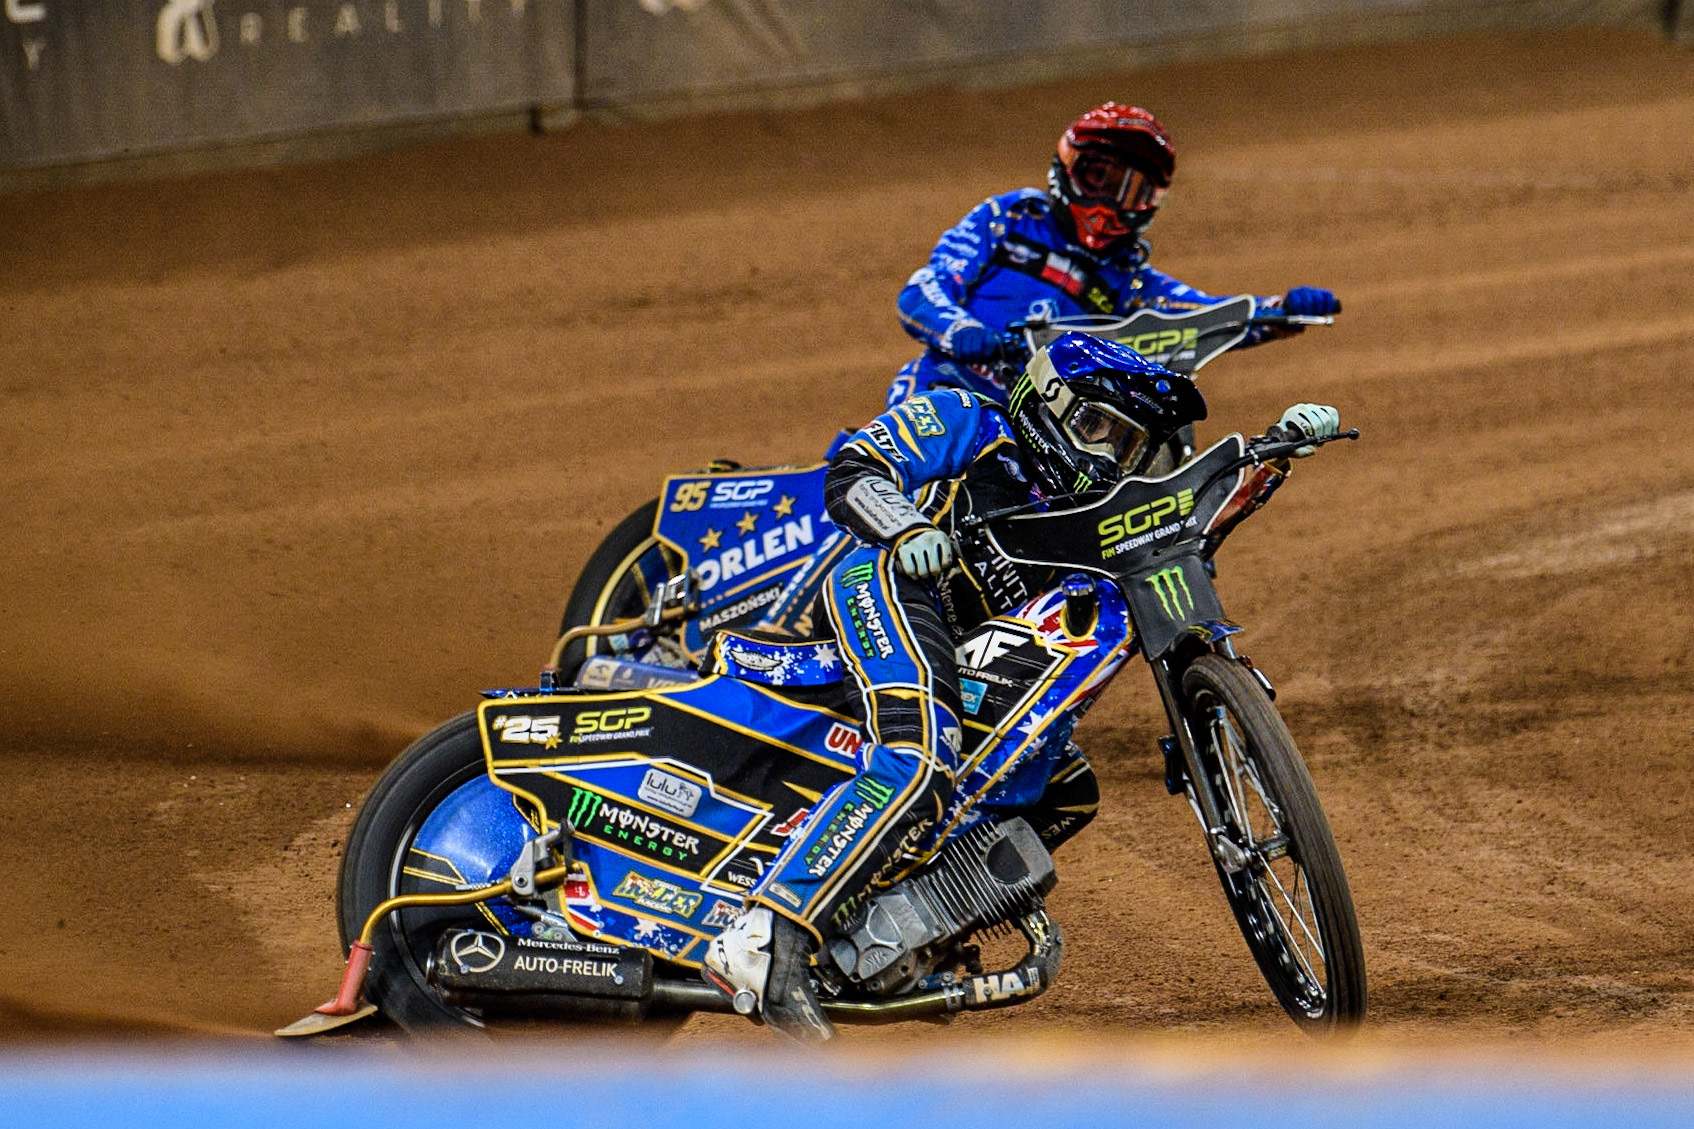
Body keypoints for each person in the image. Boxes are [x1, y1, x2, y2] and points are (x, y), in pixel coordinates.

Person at [704, 331, 1343, 1042]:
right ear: (1051, 403)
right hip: (893, 588)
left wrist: (1275, 454)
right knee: (920, 759)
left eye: (1128, 445)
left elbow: (1187, 526)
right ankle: (768, 938)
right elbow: (857, 468)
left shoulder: (1100, 509)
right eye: (1100, 429)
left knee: (1066, 789)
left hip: (976, 655)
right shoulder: (969, 418)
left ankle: (912, 927)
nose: (1110, 456)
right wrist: (907, 526)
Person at [886, 102, 1342, 407]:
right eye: (1099, 178)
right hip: (948, 389)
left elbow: (1204, 317)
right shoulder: (1010, 218)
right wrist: (962, 331)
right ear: (1067, 168)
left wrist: (1281, 311)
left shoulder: (1131, 280)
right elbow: (924, 288)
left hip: (1039, 427)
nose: (1108, 204)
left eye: (1130, 190)